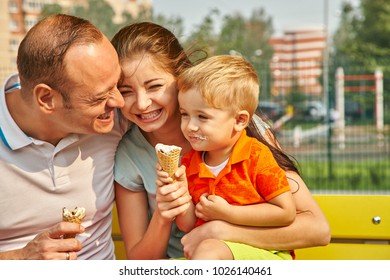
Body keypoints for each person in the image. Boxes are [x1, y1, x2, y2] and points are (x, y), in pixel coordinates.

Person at [112, 22, 330, 260]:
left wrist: (220, 230)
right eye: (126, 91)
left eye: (154, 86)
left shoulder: (240, 129)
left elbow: (317, 230)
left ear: (180, 77)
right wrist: (164, 215)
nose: (142, 103)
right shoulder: (130, 154)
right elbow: (140, 263)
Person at [0, 14, 125, 260]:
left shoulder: (117, 117)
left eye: (118, 84)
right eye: (99, 97)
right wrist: (20, 258)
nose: (119, 101)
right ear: (46, 99)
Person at [156, 55, 296, 260]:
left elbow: (285, 212)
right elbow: (187, 224)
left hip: (266, 253)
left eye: (202, 116)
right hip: (211, 254)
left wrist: (227, 213)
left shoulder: (256, 156)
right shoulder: (189, 162)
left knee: (208, 253)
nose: (190, 126)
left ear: (239, 120)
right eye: (185, 114)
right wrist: (181, 195)